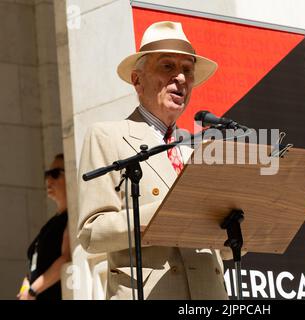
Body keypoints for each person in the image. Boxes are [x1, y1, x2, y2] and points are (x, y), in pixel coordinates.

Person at [77, 21, 230, 300]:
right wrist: (163, 214)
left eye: (187, 70)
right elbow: (92, 233)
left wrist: (238, 226)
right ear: (137, 80)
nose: (181, 78)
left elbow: (228, 247)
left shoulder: (204, 148)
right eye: (168, 66)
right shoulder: (107, 136)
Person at [17, 153, 71, 300]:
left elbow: (66, 258)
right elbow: (33, 268)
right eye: (46, 174)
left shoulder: (71, 218)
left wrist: (32, 291)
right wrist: (25, 287)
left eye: (54, 174)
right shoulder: (51, 223)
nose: (48, 179)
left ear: (71, 175)